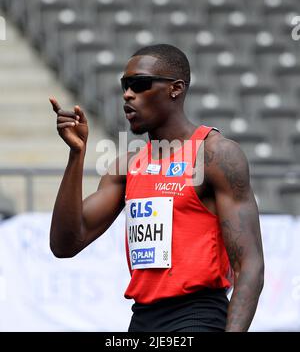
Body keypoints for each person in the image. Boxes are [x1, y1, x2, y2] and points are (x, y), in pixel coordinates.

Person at [49, 44, 264, 332]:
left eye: (139, 84)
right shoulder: (127, 167)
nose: (127, 94)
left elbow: (250, 267)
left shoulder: (215, 156)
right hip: (142, 320)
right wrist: (76, 155)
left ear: (176, 88)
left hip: (196, 317)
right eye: (125, 85)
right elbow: (65, 244)